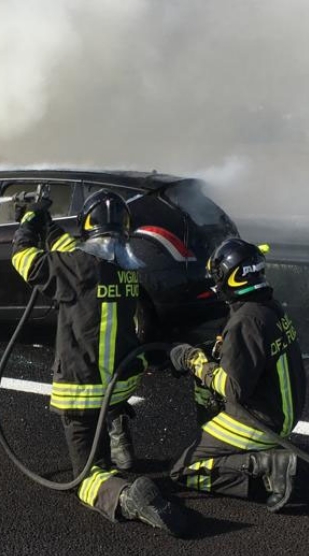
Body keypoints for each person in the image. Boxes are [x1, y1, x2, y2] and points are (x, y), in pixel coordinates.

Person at [11, 188, 188, 536]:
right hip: (119, 383)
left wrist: (30, 219)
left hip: (82, 391)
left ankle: (127, 497)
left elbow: (22, 257)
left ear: (88, 224)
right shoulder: (125, 267)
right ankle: (116, 426)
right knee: (110, 402)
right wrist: (47, 223)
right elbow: (73, 252)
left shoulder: (75, 268)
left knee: (87, 477)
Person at [168, 238, 306, 511]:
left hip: (261, 421)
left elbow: (233, 389)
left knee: (184, 470)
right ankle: (261, 455)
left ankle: (265, 464)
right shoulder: (269, 307)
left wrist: (195, 362)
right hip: (281, 413)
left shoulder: (246, 321)